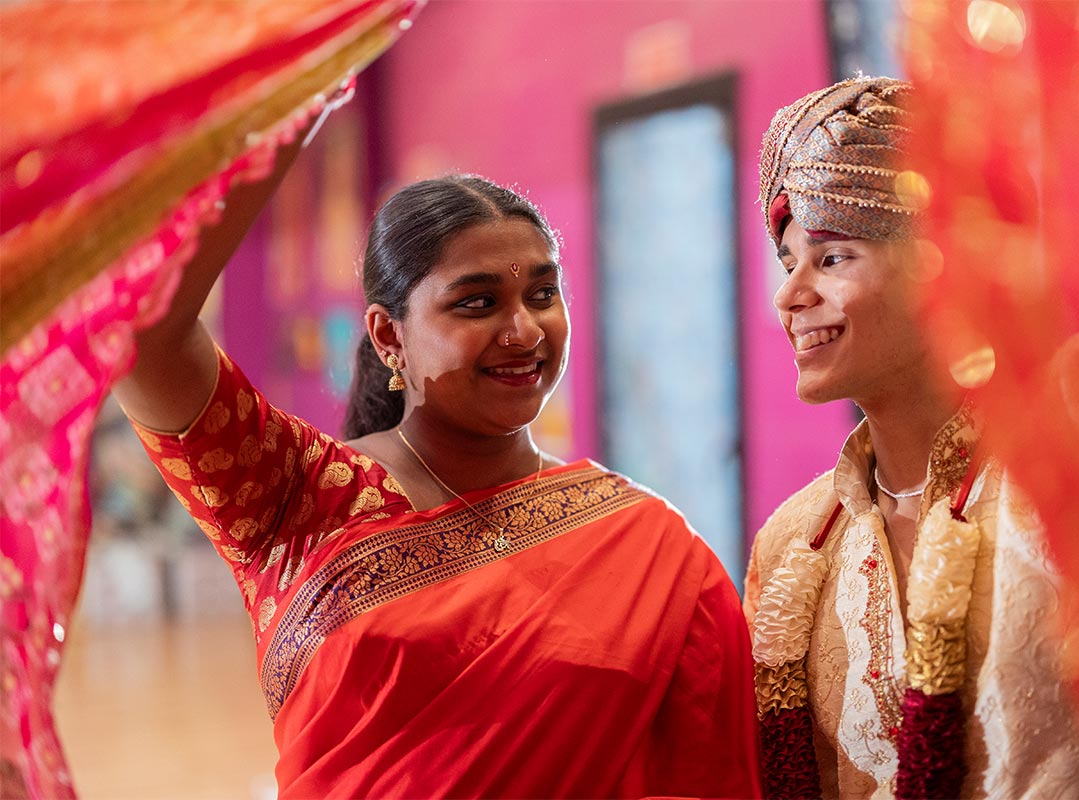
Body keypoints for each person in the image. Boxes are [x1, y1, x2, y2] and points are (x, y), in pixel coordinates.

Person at [113, 138, 762, 796]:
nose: (525, 330)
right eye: (477, 303)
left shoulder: (649, 547)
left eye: (542, 293)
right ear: (388, 335)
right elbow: (141, 331)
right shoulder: (295, 498)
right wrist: (293, 113)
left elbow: (705, 776)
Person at [743, 76, 1079, 799]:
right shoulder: (794, 543)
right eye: (788, 263)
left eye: (832, 257)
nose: (790, 294)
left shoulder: (1076, 475)